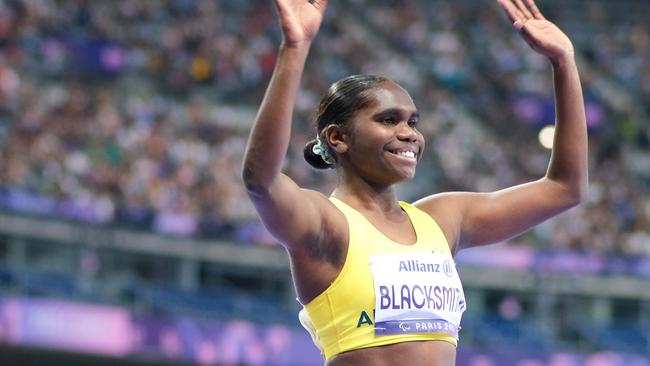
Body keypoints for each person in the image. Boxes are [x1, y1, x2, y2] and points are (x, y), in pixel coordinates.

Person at [242, 0, 587, 365]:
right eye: (389, 120)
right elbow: (260, 181)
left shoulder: (441, 219)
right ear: (337, 138)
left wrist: (564, 62)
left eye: (413, 122)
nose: (408, 133)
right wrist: (294, 51)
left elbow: (565, 188)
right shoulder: (327, 225)